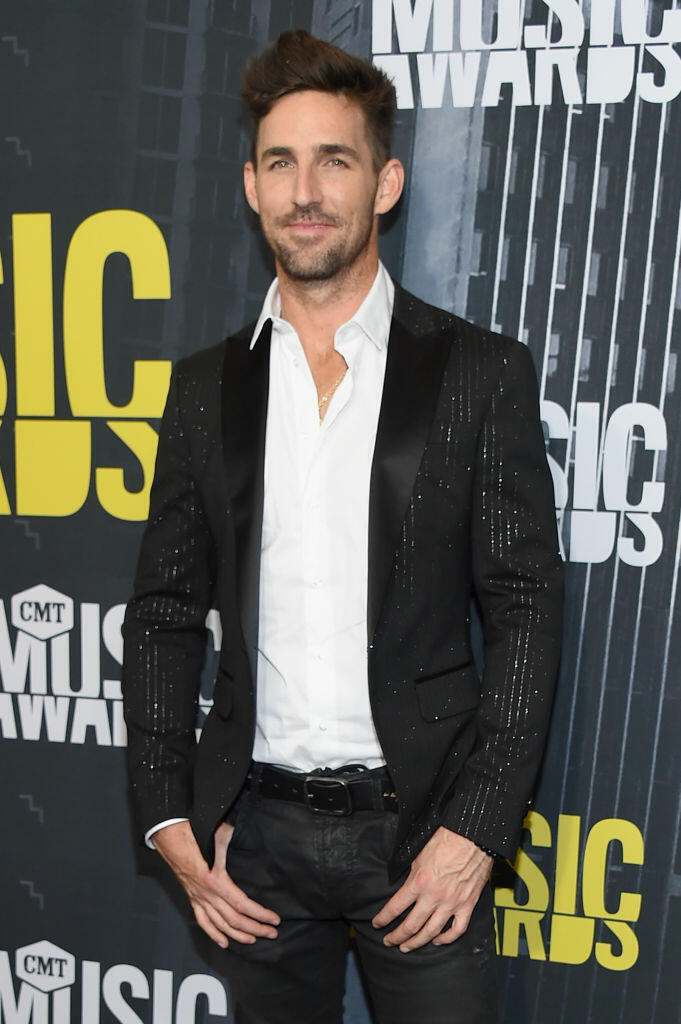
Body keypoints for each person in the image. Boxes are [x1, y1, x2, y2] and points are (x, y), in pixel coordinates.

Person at [122, 28, 563, 1024]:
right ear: (250, 186)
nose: (305, 190)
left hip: (423, 835)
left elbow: (528, 607)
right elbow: (160, 612)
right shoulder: (204, 391)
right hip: (254, 844)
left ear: (387, 182)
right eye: (281, 162)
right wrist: (168, 815)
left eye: (335, 160)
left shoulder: (477, 375)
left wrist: (479, 827)